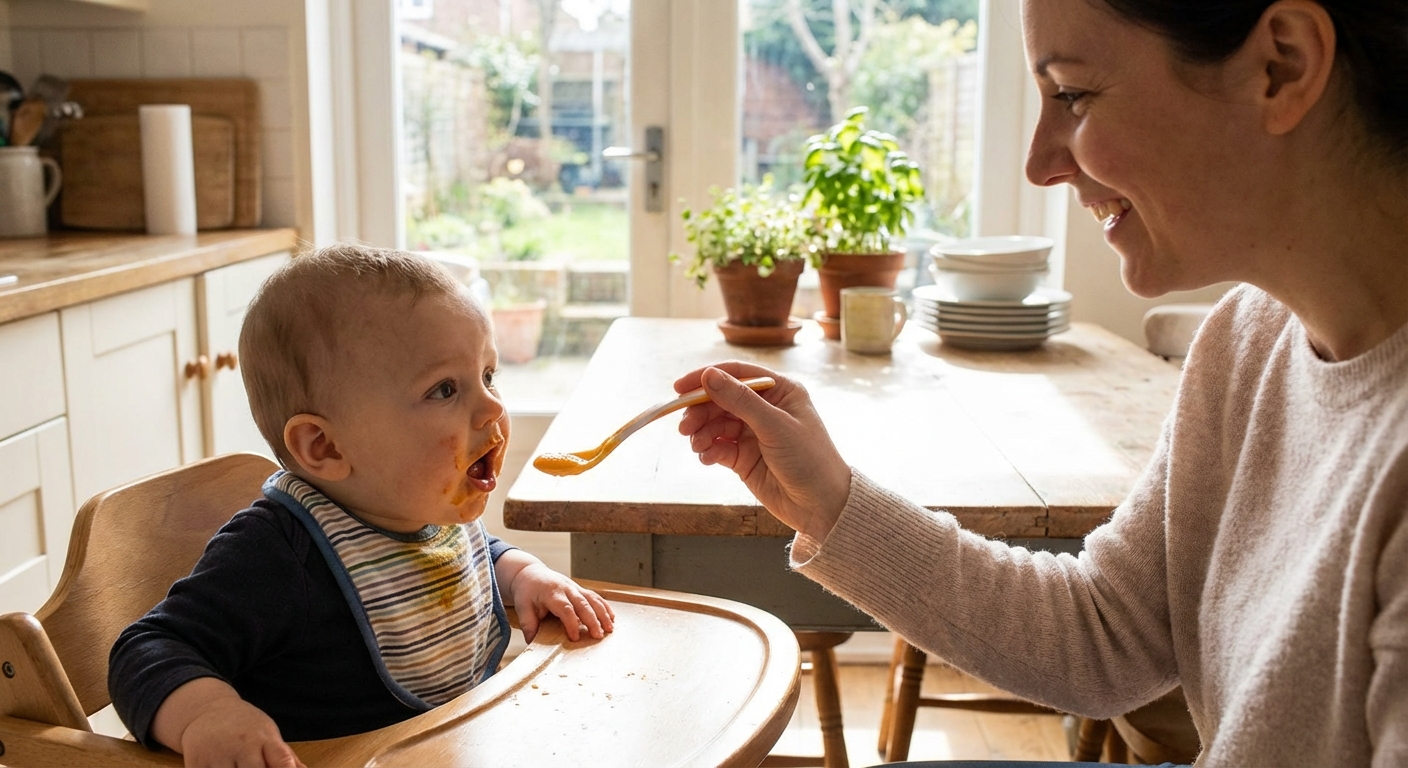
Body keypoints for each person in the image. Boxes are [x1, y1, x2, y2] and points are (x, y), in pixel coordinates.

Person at [675, 0, 1408, 765]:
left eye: (1073, 96)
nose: (1040, 162)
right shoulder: (1249, 338)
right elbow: (1105, 632)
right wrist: (828, 500)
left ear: (1280, 66)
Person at [109, 245, 615, 767]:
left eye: (488, 376)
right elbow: (147, 648)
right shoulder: (279, 553)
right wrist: (207, 715)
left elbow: (469, 554)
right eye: (444, 390)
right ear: (324, 447)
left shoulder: (420, 507)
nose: (493, 407)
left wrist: (525, 575)